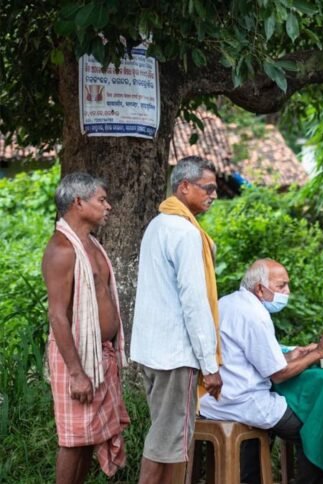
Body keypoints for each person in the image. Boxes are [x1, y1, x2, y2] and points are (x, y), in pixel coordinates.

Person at [199, 258, 323, 484]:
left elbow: (259, 359)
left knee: (291, 419)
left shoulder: (229, 302)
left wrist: (298, 354)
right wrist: (319, 353)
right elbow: (278, 374)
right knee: (312, 427)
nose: (287, 292)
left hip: (213, 399)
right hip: (242, 401)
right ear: (259, 288)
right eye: (281, 286)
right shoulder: (254, 315)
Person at [130, 156, 224, 484]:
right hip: (175, 354)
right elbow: (194, 303)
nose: (214, 195)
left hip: (153, 351)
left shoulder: (158, 224)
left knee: (169, 439)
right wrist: (210, 365)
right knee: (167, 442)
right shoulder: (185, 233)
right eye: (208, 188)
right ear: (184, 187)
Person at [41, 172, 130, 484]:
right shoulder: (62, 250)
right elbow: (57, 317)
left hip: (99, 354)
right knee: (73, 440)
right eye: (101, 200)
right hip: (76, 358)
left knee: (88, 439)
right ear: (78, 202)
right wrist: (77, 373)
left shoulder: (90, 244)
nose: (108, 207)